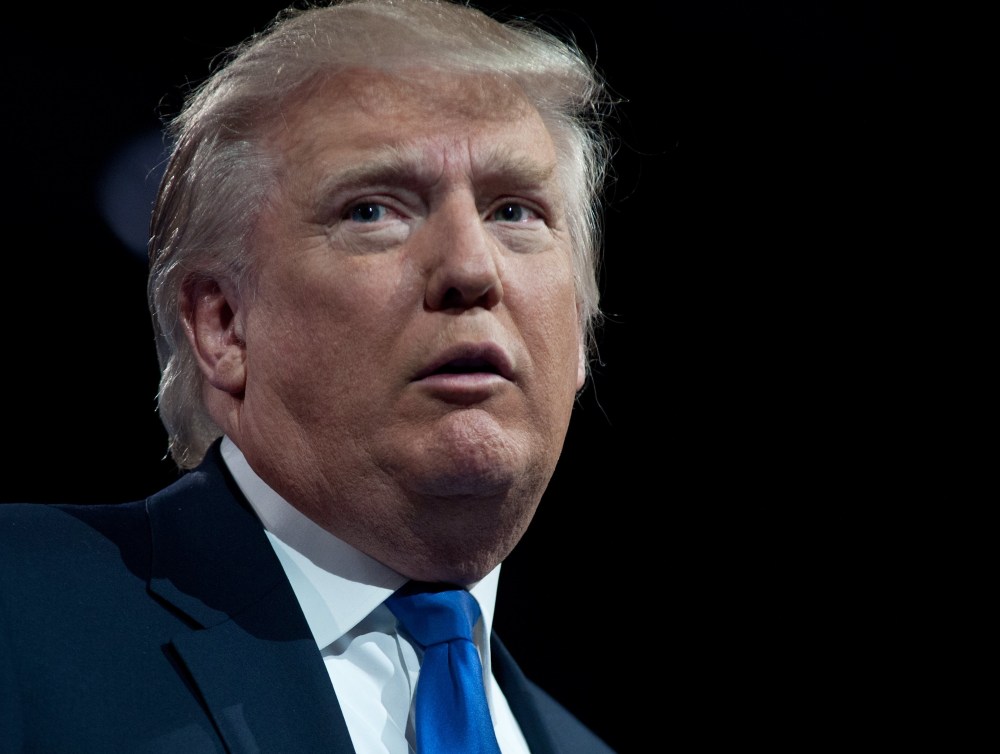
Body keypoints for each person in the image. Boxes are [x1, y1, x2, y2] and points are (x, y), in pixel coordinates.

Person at [0, 0, 616, 751]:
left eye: (515, 211)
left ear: (579, 330)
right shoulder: (20, 609)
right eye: (373, 211)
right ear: (224, 325)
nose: (470, 267)